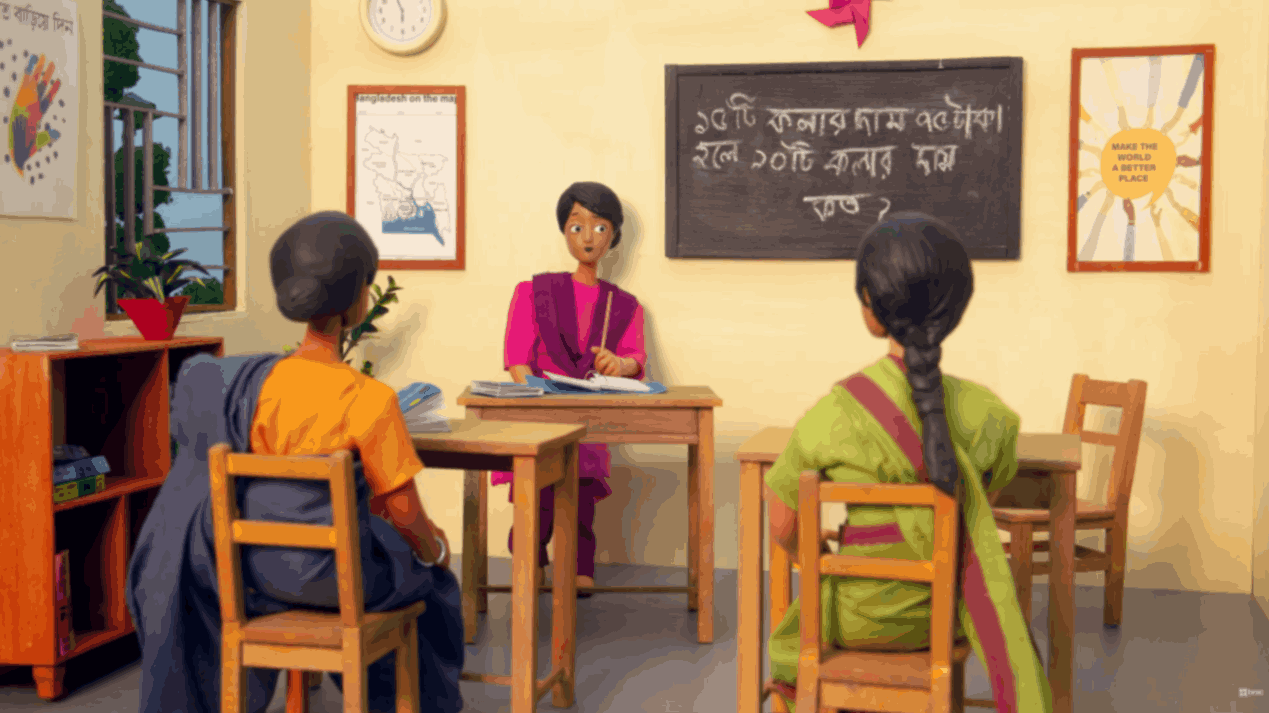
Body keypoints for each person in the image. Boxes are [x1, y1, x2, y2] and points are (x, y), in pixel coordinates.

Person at [127, 211, 465, 713]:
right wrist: (436, 549)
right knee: (430, 580)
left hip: (251, 575)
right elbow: (403, 513)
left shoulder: (256, 387)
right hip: (335, 583)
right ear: (357, 299)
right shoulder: (369, 398)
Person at [763, 213, 1051, 713]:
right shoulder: (994, 418)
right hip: (948, 614)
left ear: (870, 308)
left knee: (804, 614)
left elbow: (782, 522)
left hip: (856, 619)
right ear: (954, 310)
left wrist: (818, 558)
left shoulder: (833, 413)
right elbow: (979, 505)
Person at [493, 181, 647, 595]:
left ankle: (580, 560)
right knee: (536, 496)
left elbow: (635, 359)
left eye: (599, 227)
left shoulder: (625, 305)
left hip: (589, 416)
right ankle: (531, 556)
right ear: (564, 231)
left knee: (581, 499)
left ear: (613, 235)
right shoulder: (533, 292)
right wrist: (533, 394)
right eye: (577, 226)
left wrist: (619, 363)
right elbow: (517, 358)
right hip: (540, 413)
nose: (588, 237)